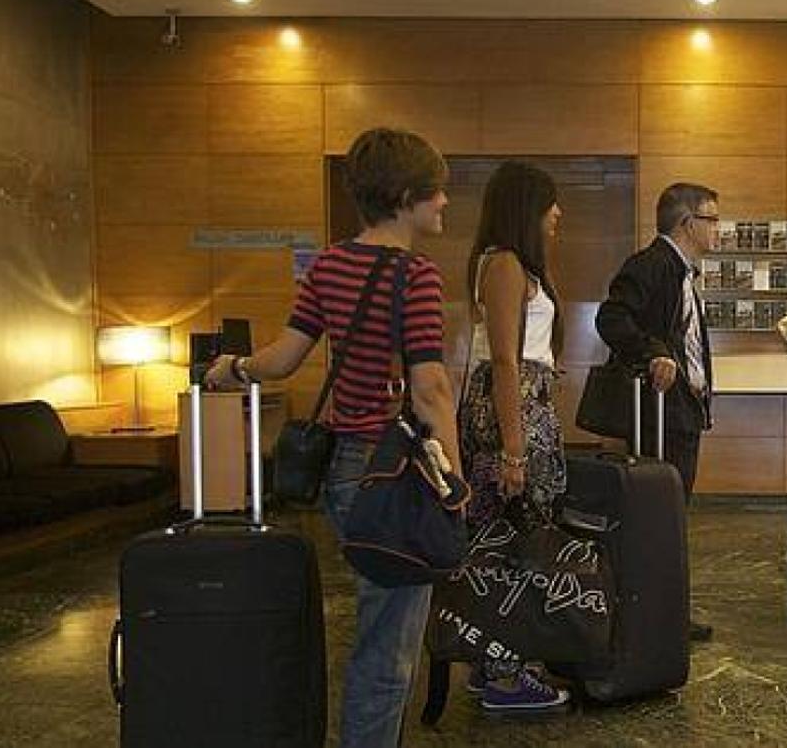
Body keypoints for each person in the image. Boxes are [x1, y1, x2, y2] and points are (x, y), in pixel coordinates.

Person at [205, 128, 459, 748]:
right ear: (405, 197)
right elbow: (430, 388)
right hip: (395, 471)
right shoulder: (417, 276)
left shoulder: (328, 264)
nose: (444, 202)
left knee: (380, 625)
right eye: (436, 191)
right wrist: (451, 480)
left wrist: (233, 367)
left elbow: (285, 357)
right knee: (389, 645)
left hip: (346, 470)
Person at [457, 160, 571, 713]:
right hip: (512, 412)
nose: (558, 213)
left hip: (522, 405)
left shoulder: (513, 264)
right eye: (550, 204)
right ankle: (506, 673)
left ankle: (493, 661)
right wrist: (515, 449)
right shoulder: (503, 264)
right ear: (527, 208)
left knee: (504, 537)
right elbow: (505, 360)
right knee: (515, 539)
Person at [595, 182, 718, 642]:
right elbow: (612, 318)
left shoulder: (681, 271)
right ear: (687, 223)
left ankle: (663, 610)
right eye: (712, 219)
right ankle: (653, 614)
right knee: (660, 515)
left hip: (681, 409)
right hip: (660, 413)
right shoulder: (651, 265)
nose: (718, 229)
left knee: (670, 513)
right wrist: (653, 353)